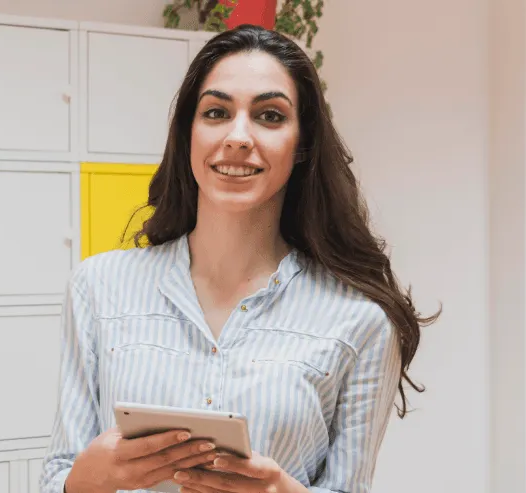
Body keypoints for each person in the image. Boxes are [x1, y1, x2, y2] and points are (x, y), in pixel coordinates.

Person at [40, 24, 438, 493]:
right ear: (188, 132)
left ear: (302, 143)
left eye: (270, 115)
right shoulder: (98, 286)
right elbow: (57, 474)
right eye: (216, 112)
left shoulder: (360, 322)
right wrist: (82, 482)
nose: (238, 136)